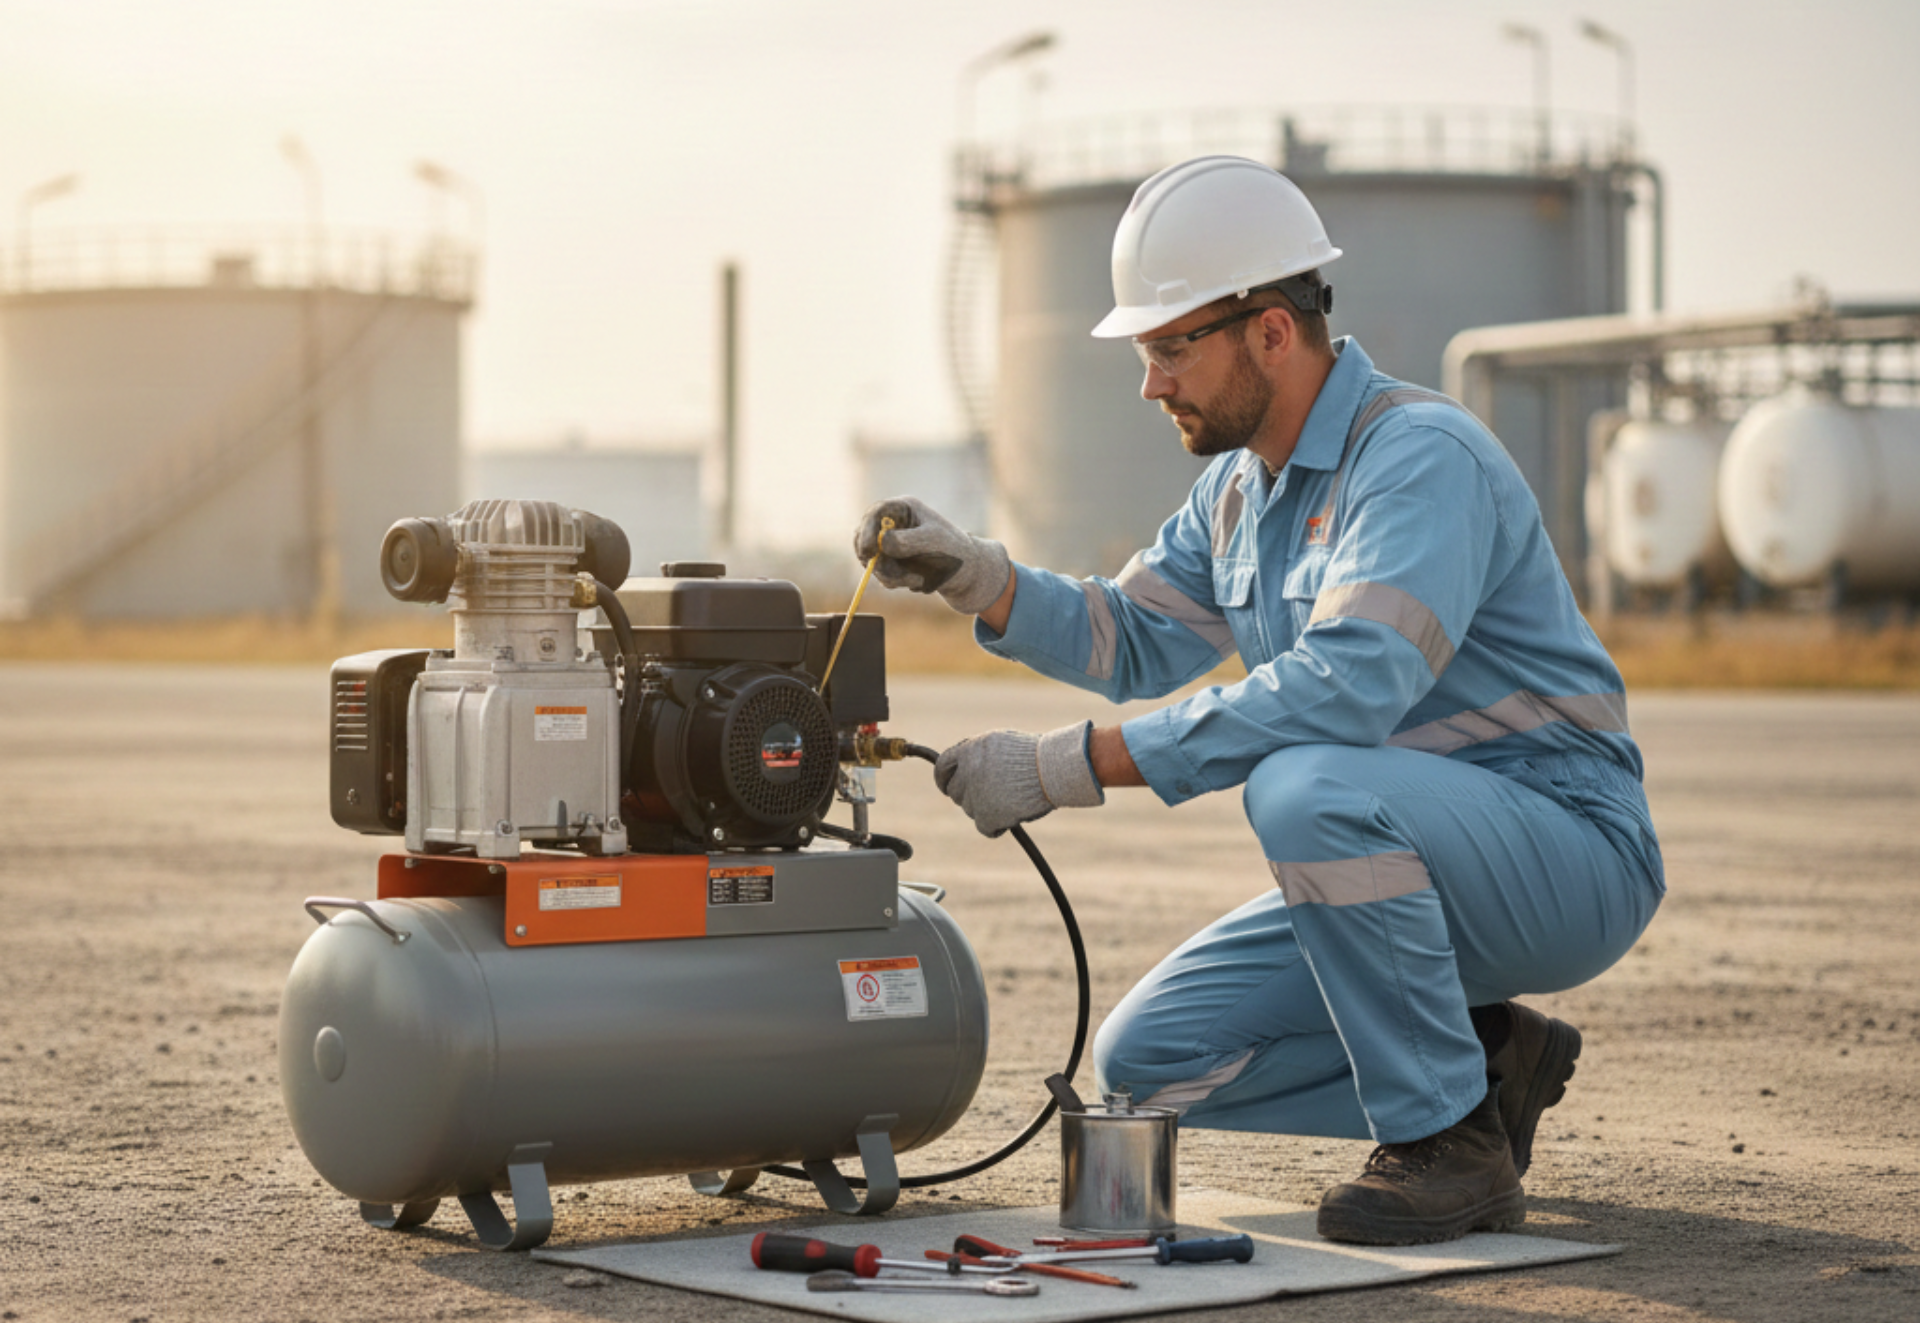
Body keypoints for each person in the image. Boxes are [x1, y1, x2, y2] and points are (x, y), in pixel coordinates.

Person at [853, 155, 1664, 1247]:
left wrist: (1067, 765)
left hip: (1564, 846)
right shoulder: (1239, 494)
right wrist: (978, 578)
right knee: (1151, 1060)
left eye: (1172, 347)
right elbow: (1130, 636)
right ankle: (1482, 1079)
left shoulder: (1417, 459)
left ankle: (1445, 1149)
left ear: (1272, 332)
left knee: (1304, 784)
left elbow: (1348, 686)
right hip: (1408, 853)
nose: (1151, 384)